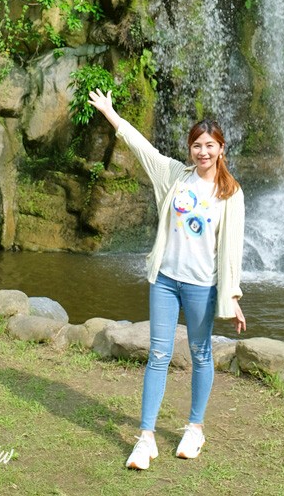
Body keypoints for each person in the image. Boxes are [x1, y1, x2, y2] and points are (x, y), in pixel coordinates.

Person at [87, 88, 246, 470]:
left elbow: (231, 250)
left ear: (221, 148)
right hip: (166, 280)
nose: (202, 152)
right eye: (196, 145)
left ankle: (195, 427)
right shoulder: (177, 176)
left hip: (201, 286)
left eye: (209, 145)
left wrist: (233, 295)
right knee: (158, 355)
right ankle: (145, 438)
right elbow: (143, 148)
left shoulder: (230, 193)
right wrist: (111, 113)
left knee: (201, 353)